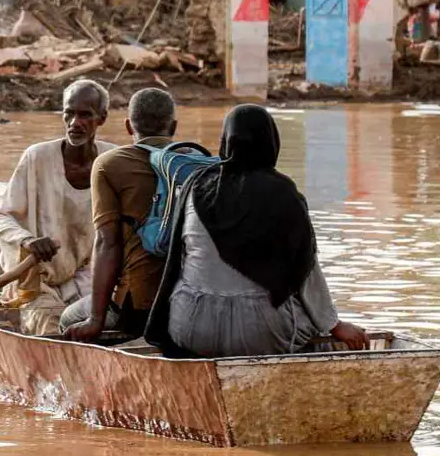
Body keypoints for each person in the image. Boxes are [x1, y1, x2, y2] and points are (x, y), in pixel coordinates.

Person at [143, 104, 369, 359]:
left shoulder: (197, 184)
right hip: (259, 332)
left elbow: (180, 260)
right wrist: (335, 325)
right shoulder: (283, 193)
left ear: (226, 141)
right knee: (316, 331)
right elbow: (306, 271)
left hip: (190, 325)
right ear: (270, 142)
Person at [0, 80, 116, 336]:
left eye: (85, 115)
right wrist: (28, 241)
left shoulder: (113, 160)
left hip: (92, 281)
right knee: (51, 334)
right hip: (41, 283)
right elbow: (2, 218)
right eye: (69, 114)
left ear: (101, 119)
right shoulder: (37, 157)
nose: (75, 123)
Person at [61, 87, 177, 341]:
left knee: (68, 318)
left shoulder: (110, 163)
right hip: (185, 299)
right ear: (174, 127)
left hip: (138, 305)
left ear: (128, 126)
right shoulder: (196, 160)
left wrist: (95, 319)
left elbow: (107, 242)